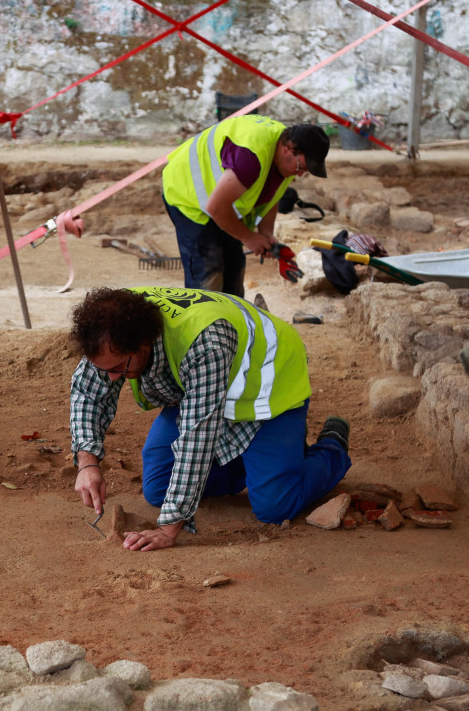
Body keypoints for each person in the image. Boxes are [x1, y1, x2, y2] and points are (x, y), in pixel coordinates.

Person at [69, 286, 352, 551]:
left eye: (120, 368)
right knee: (159, 490)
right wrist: (87, 463)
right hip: (203, 387)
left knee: (275, 506)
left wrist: (168, 528)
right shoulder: (110, 325)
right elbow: (88, 392)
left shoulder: (206, 343)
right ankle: (269, 460)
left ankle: (331, 447)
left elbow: (197, 437)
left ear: (144, 342)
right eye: (104, 369)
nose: (112, 377)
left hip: (269, 383)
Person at [161, 115, 330, 296]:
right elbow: (216, 207)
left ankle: (232, 321)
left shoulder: (285, 161)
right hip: (189, 195)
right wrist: (249, 237)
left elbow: (272, 197)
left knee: (234, 269)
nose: (300, 174)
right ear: (288, 148)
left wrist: (266, 235)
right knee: (209, 274)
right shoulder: (251, 156)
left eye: (304, 170)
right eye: (301, 166)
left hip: (222, 203)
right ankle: (204, 321)